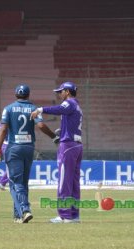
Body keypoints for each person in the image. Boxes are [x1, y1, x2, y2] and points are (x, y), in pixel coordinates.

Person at [0, 84, 58, 223]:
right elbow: (40, 126)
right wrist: (54, 137)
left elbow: (2, 130)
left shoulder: (8, 108)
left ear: (16, 95)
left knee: (16, 182)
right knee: (23, 183)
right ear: (28, 95)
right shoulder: (33, 108)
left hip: (13, 148)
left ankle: (25, 210)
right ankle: (18, 215)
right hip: (28, 148)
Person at [30, 82, 83, 223]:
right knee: (73, 183)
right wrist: (63, 130)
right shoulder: (77, 105)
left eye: (61, 91)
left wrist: (40, 109)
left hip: (68, 146)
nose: (59, 94)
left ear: (67, 91)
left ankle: (65, 215)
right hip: (77, 145)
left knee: (64, 182)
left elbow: (59, 109)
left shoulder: (69, 103)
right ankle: (74, 215)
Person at [0, 121, 9, 191]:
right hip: (7, 145)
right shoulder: (3, 122)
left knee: (12, 167)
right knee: (11, 167)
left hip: (7, 145)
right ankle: (2, 182)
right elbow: (1, 133)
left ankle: (2, 182)